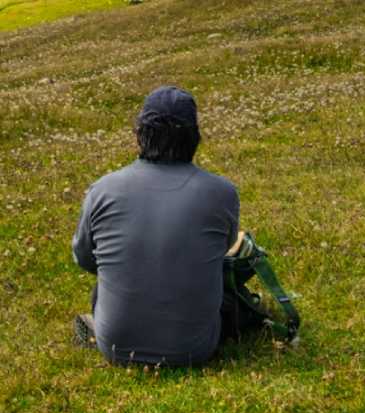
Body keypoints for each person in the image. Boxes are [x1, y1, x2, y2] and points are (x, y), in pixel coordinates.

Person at [72, 86, 241, 366]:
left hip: (115, 346)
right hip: (196, 349)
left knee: (102, 288)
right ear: (195, 137)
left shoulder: (102, 190)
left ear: (138, 135)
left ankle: (106, 321)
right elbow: (223, 251)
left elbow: (86, 259)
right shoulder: (222, 192)